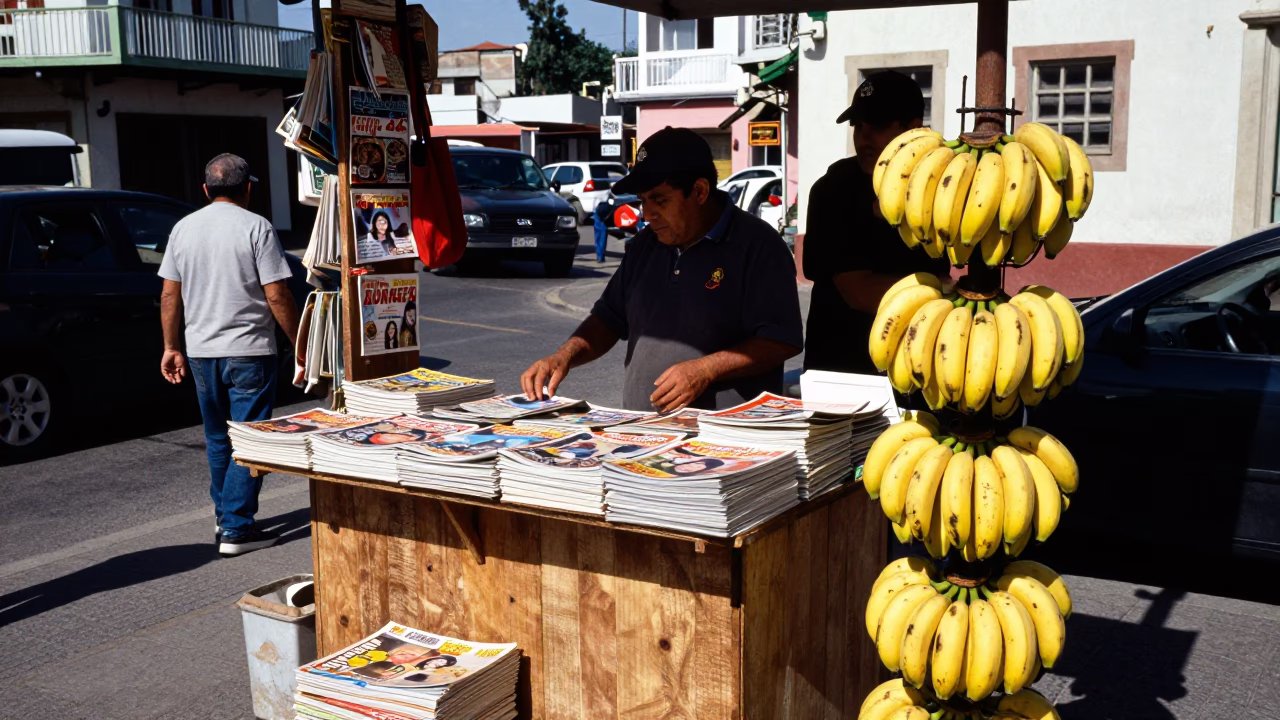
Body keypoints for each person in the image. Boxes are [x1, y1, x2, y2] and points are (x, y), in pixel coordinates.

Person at [521, 127, 803, 412]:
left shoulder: (758, 245)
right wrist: (563, 356)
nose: (648, 213)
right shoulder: (646, 244)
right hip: (643, 432)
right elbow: (608, 318)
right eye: (643, 200)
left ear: (700, 191)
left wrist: (705, 370)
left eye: (660, 200)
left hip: (722, 436)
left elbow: (781, 340)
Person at [158, 153, 300, 557]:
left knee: (219, 439)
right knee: (251, 438)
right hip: (250, 351)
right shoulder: (257, 227)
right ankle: (236, 529)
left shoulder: (183, 228)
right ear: (248, 189)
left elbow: (170, 293)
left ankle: (225, 516)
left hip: (202, 352)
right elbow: (277, 293)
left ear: (205, 190)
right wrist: (300, 342)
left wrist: (171, 347)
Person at [802, 71, 951, 376]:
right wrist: (949, 295)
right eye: (857, 125)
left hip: (921, 366)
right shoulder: (833, 189)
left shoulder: (943, 186)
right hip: (843, 375)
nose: (863, 137)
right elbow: (858, 291)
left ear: (913, 129)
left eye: (878, 125)